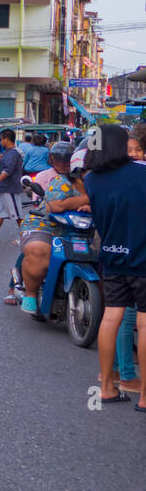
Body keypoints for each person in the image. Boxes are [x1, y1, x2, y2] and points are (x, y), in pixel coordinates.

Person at [83, 125, 146, 405]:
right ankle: (145, 397)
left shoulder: (91, 180)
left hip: (111, 256)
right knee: (144, 325)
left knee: (111, 318)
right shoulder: (141, 173)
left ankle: (107, 386)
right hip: (142, 258)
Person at [9, 141, 85, 312]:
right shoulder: (58, 180)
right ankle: (29, 293)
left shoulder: (99, 182)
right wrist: (86, 201)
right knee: (38, 251)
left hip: (80, 229)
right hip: (44, 224)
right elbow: (53, 205)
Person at [0, 128, 25, 243]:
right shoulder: (9, 152)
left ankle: (26, 237)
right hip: (4, 188)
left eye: (1, 139)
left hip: (10, 188)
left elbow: (8, 170)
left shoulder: (12, 154)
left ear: (7, 139)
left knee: (17, 214)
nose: (0, 141)